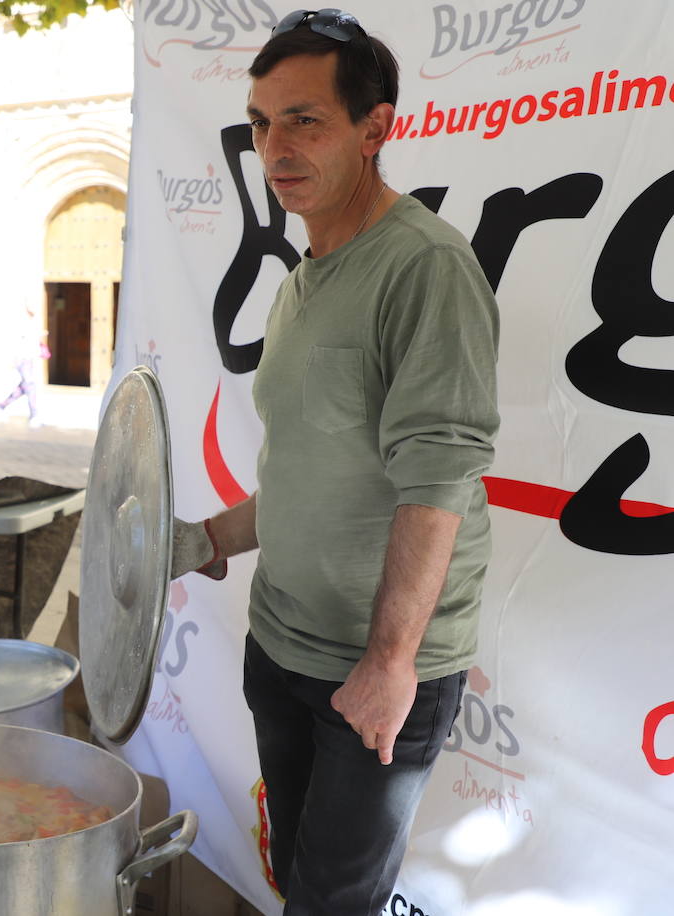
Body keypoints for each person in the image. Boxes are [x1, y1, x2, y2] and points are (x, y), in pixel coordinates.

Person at [169, 10, 500, 913]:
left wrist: (390, 667)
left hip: (374, 674)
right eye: (262, 122)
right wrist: (204, 538)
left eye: (305, 119)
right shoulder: (303, 277)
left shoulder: (425, 267)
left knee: (332, 905)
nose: (275, 146)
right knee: (296, 884)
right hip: (280, 645)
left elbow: (437, 482)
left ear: (376, 127)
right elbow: (306, 475)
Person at [0, 306, 49, 427]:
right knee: (30, 386)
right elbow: (20, 344)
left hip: (28, 360)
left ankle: (2, 405)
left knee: (24, 387)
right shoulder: (22, 324)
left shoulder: (32, 323)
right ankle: (34, 415)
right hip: (23, 360)